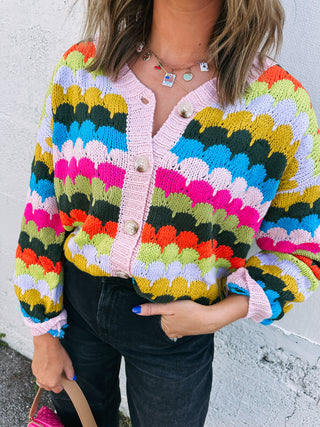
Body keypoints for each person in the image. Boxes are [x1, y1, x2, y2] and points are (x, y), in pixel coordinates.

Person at [14, 0, 320, 426]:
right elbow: (43, 204)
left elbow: (301, 247)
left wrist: (214, 316)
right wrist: (43, 329)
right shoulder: (83, 69)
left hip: (178, 332)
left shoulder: (277, 108)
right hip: (77, 308)